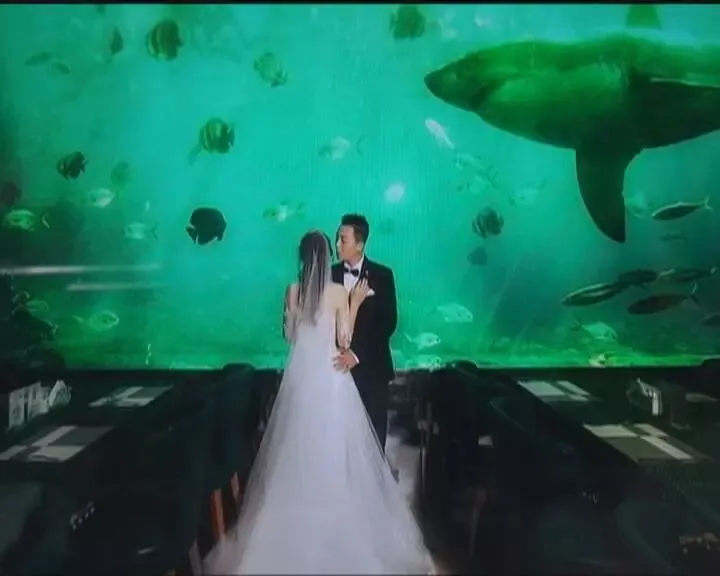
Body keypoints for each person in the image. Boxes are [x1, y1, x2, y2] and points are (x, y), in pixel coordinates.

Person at [203, 230, 432, 575]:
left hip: (300, 378)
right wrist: (354, 304)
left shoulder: (292, 291)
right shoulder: (338, 292)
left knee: (296, 450)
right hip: (331, 377)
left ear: (301, 257)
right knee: (335, 452)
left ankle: (292, 528)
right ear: (327, 257)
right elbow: (345, 340)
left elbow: (289, 335)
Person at [332, 213, 397, 452]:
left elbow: (388, 323)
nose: (337, 245)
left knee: (373, 438)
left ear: (359, 244)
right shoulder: (329, 275)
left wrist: (356, 353)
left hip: (373, 371)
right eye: (337, 239)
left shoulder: (383, 275)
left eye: (343, 240)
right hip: (336, 368)